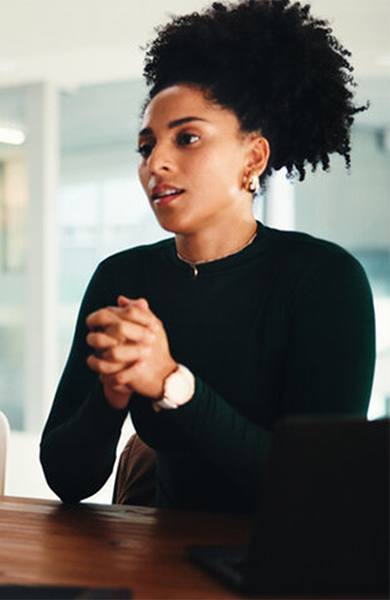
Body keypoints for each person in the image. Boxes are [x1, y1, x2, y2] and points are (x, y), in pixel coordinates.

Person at [39, 0, 375, 515]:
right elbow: (67, 479)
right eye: (146, 146)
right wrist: (110, 395)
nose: (157, 162)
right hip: (159, 561)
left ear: (253, 157)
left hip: (283, 571)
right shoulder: (123, 277)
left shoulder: (324, 280)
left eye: (187, 138)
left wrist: (173, 383)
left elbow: (317, 492)